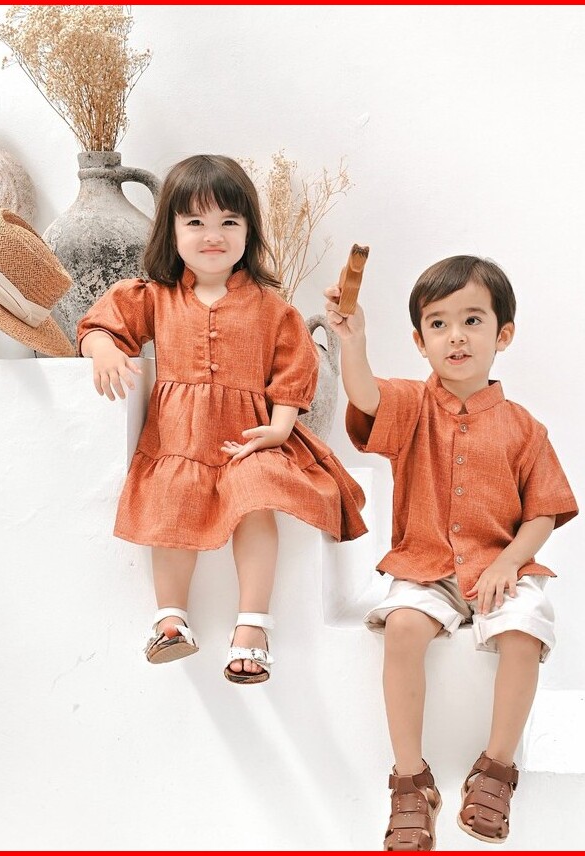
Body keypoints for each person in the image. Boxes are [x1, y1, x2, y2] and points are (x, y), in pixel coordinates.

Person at [78, 154, 366, 685]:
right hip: (178, 440)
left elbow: (294, 366)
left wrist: (280, 428)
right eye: (195, 222)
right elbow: (103, 323)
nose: (213, 236)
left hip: (248, 441)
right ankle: (170, 619)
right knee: (170, 500)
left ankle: (253, 624)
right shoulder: (156, 297)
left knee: (257, 498)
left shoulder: (271, 308)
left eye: (228, 221)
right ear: (171, 232)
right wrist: (102, 349)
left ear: (249, 230)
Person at [324, 256, 578, 847]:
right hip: (426, 565)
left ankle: (495, 770)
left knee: (525, 632)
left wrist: (510, 560)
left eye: (472, 320)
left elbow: (544, 510)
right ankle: (411, 781)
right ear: (419, 341)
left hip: (500, 569)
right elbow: (365, 394)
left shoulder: (525, 428)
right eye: (438, 324)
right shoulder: (412, 405)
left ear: (503, 334)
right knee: (402, 628)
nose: (455, 336)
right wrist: (353, 341)